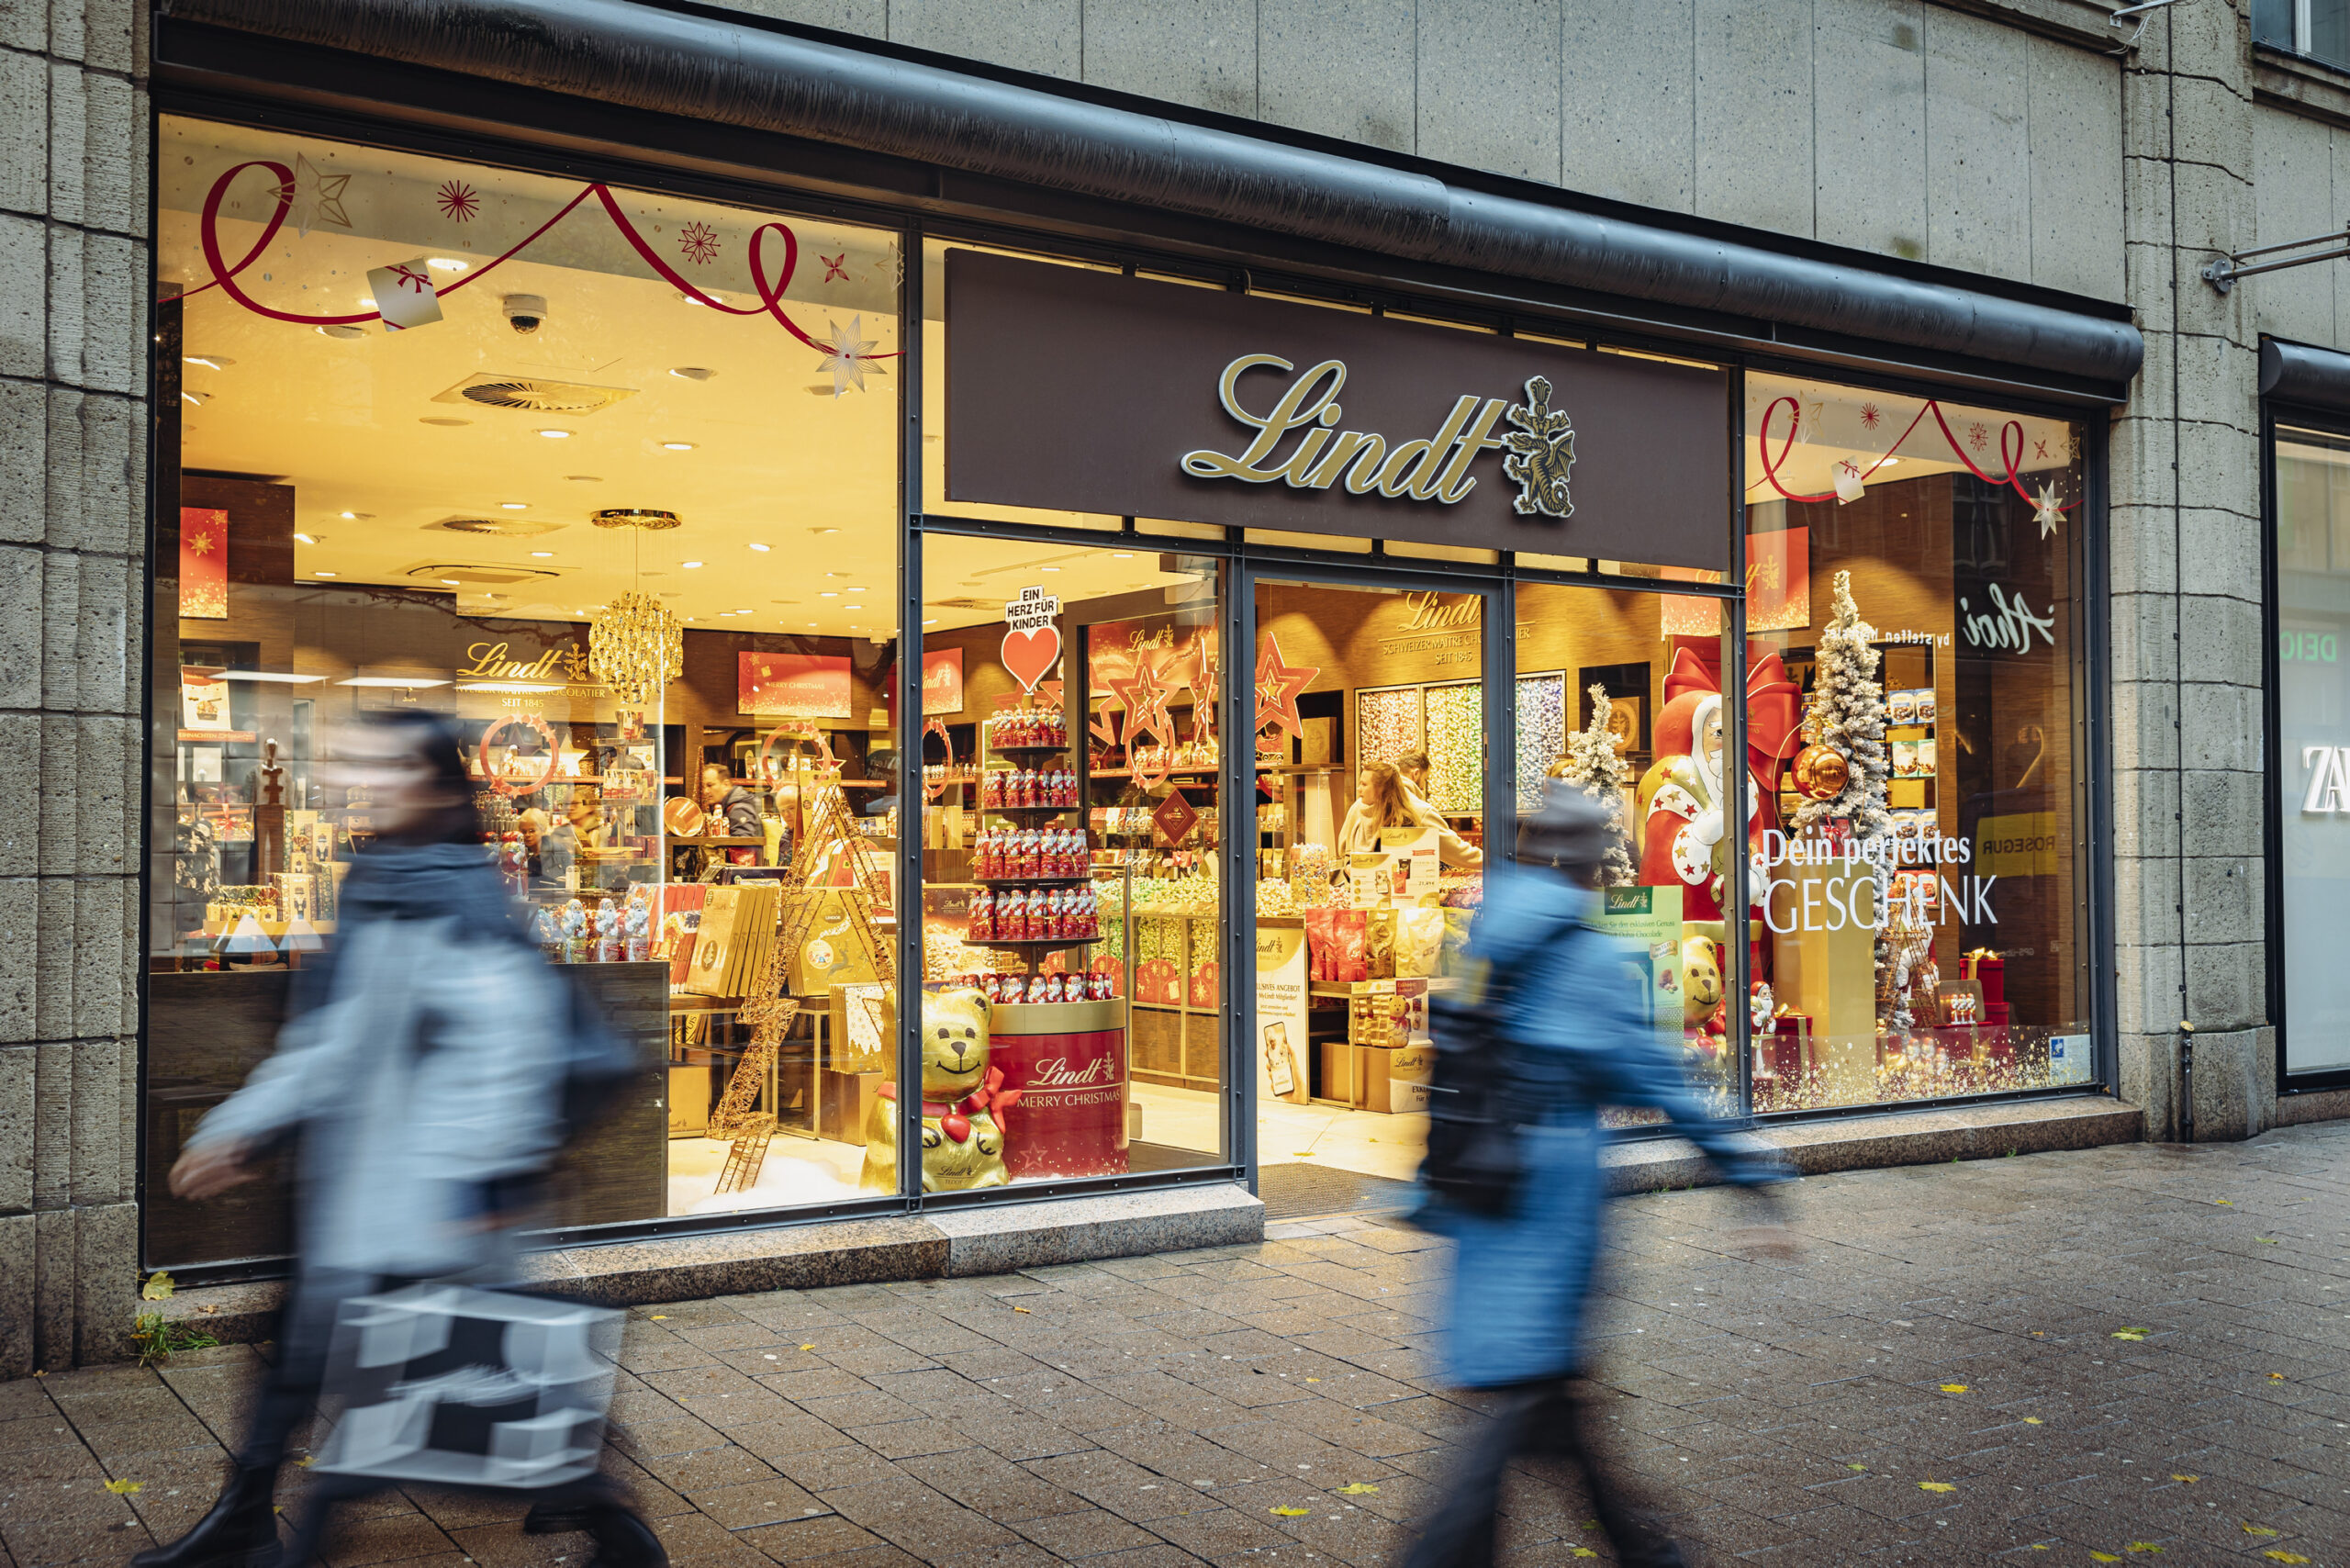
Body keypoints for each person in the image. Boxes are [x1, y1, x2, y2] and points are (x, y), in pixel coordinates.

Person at [139, 711, 663, 1568]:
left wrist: (485, 1192)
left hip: (427, 1194)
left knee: (432, 1373)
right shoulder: (394, 875)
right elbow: (346, 1038)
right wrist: (246, 1128)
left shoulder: (445, 895)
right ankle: (588, 1502)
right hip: (376, 1181)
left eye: (382, 765)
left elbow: (499, 1047)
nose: (362, 778)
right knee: (368, 1356)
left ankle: (600, 1506)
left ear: (428, 784)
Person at [1405, 783, 1795, 1568]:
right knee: (1521, 1408)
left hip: (1481, 1198)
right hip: (1546, 1212)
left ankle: (1649, 1553)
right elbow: (1659, 1082)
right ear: (1589, 864)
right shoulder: (1584, 962)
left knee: (1548, 1411)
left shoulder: (1489, 939)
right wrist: (1751, 1173)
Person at [1391, 750, 1484, 868]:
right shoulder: (1418, 809)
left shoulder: (1372, 800)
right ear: (1415, 774)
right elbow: (1454, 850)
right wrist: (1494, 863)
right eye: (1425, 779)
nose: (1423, 787)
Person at [699, 763, 763, 838]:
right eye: (703, 787)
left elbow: (743, 845)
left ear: (726, 785)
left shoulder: (739, 809)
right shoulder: (725, 807)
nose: (705, 791)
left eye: (710, 785)